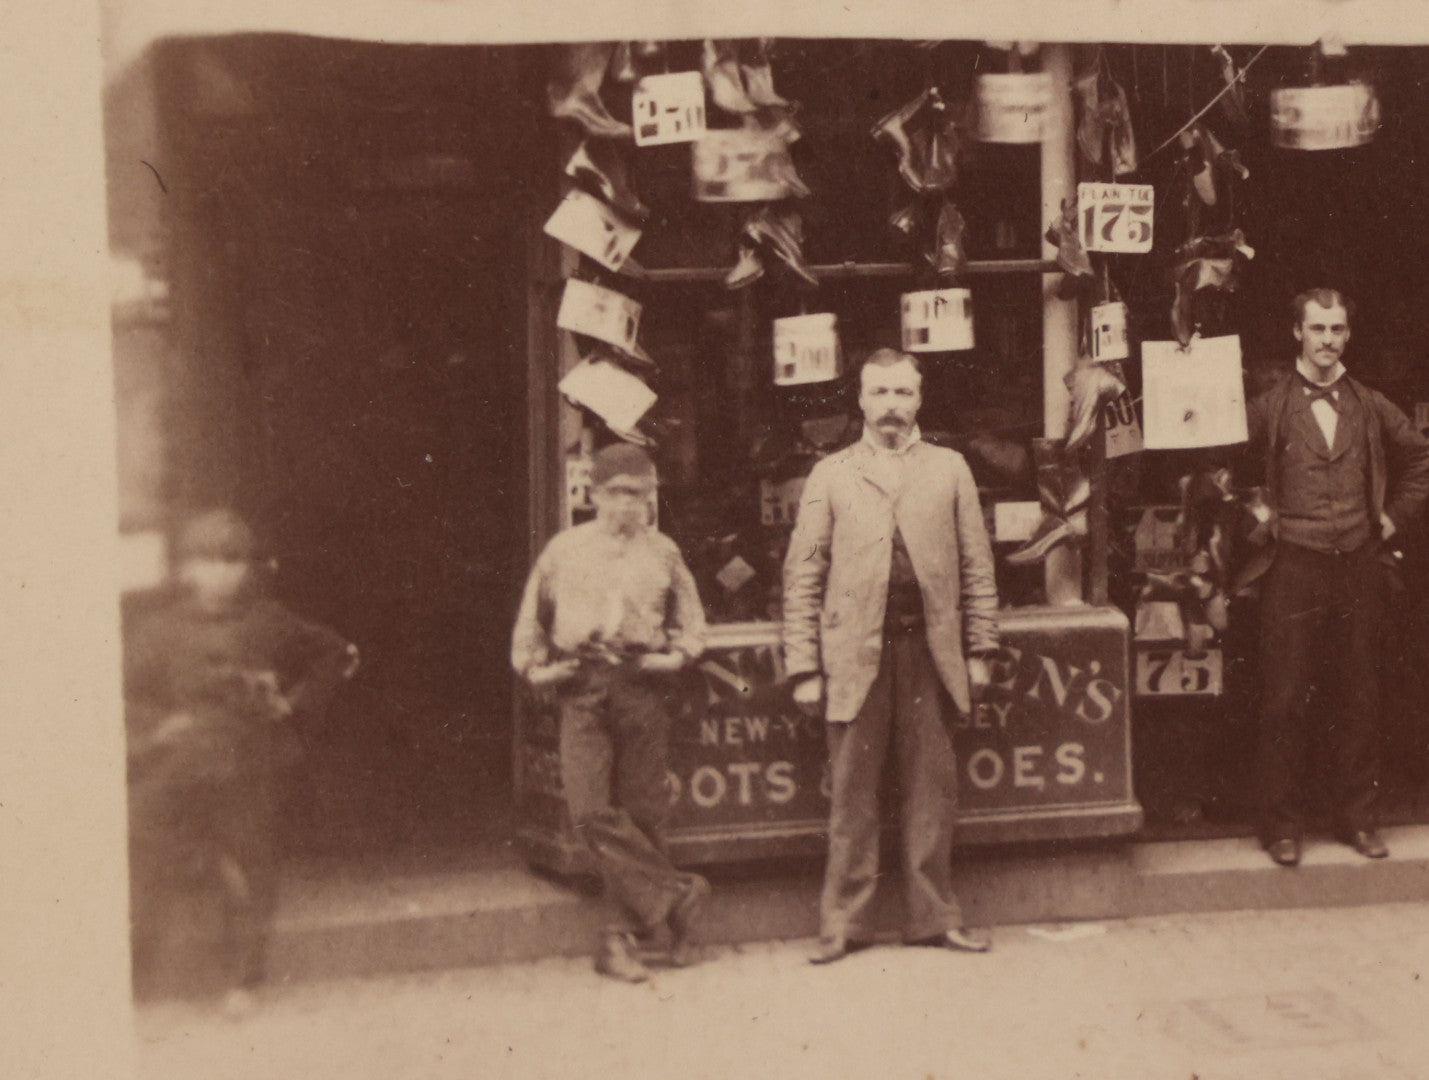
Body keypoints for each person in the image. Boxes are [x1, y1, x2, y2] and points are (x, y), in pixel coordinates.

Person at [782, 348, 1000, 965]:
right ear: (860, 401)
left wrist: (980, 648)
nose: (891, 408)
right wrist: (804, 666)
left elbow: (977, 569)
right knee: (853, 796)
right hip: (855, 654)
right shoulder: (832, 474)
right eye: (879, 394)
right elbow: (803, 575)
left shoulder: (950, 468)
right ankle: (844, 924)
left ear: (919, 400)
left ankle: (933, 918)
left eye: (902, 394)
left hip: (928, 654)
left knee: (933, 792)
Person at [125, 509, 358, 1014]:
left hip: (249, 764)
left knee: (256, 865)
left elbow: (335, 653)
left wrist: (291, 706)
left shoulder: (268, 620)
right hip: (180, 767)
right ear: (186, 569)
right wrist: (156, 727)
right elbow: (122, 692)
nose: (222, 573)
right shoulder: (160, 630)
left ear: (249, 569)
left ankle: (244, 980)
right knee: (140, 844)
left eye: (233, 561)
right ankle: (135, 971)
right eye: (208, 560)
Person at [1242, 289, 1429, 867]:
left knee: (1358, 695)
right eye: (1317, 328)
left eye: (1337, 330)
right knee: (1283, 698)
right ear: (1296, 332)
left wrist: (1391, 520)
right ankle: (1282, 826)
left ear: (1348, 336)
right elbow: (1223, 470)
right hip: (1291, 565)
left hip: (1357, 563)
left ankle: (1358, 820)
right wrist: (1259, 515)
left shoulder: (1370, 405)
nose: (1327, 340)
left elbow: (1421, 461)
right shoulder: (1269, 406)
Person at [511, 443, 711, 983]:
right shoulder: (564, 551)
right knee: (589, 812)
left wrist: (671, 659)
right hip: (583, 686)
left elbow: (694, 627)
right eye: (617, 494)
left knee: (645, 812)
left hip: (641, 686)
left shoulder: (664, 552)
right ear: (593, 494)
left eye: (639, 496)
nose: (628, 506)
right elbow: (531, 627)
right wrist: (539, 671)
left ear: (651, 499)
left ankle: (619, 941)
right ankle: (680, 898)